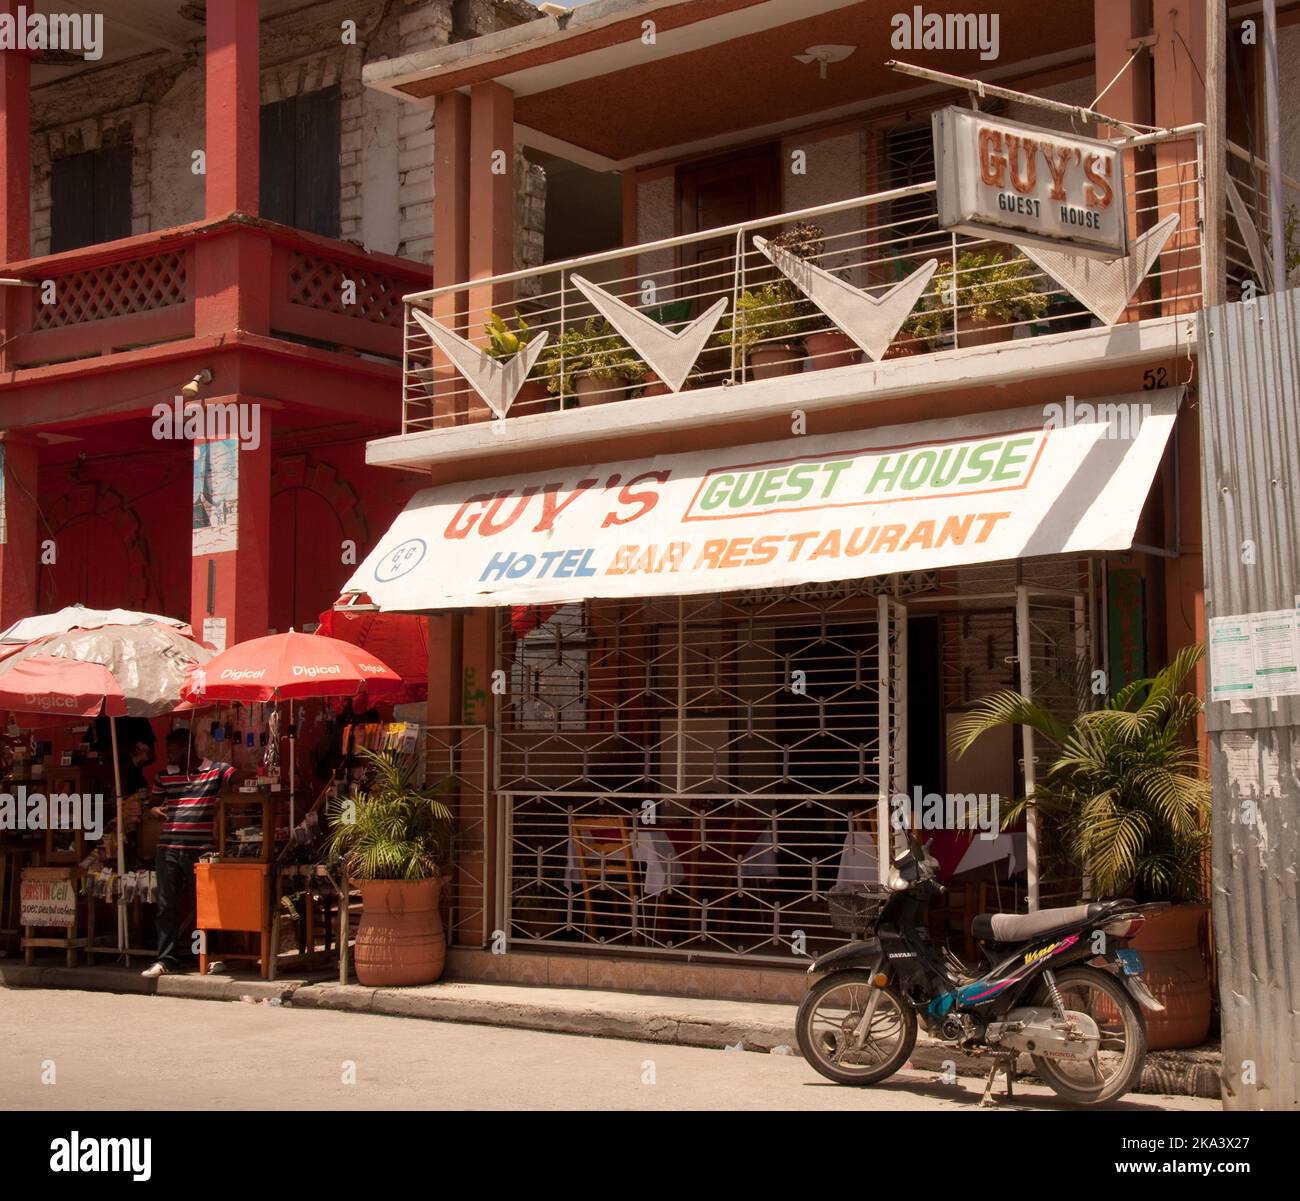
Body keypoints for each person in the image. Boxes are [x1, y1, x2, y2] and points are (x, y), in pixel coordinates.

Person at [140, 727, 236, 978]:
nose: (168, 756)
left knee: (203, 906)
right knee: (166, 906)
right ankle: (167, 959)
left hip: (200, 850)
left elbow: (235, 776)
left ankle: (205, 955)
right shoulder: (164, 775)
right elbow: (151, 805)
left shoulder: (214, 770)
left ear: (187, 748)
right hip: (168, 848)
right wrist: (154, 811)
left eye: (172, 751)